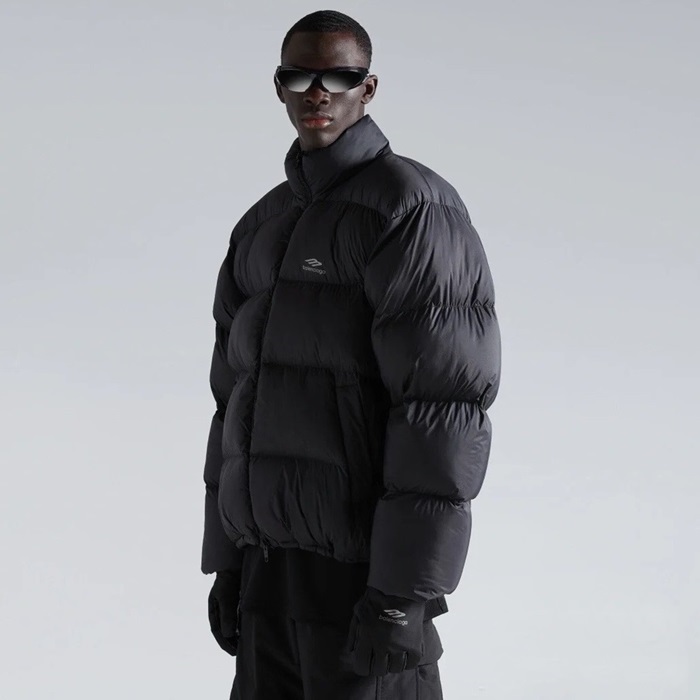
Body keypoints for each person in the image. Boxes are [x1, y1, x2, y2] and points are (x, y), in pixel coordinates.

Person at [201, 10, 501, 700]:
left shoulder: (412, 209)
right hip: (269, 578)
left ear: (368, 88)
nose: (318, 92)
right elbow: (230, 404)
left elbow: (441, 411)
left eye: (339, 76)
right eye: (299, 76)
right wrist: (229, 561)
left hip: (364, 581)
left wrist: (404, 593)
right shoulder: (261, 226)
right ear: (278, 86)